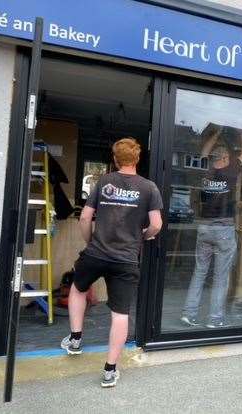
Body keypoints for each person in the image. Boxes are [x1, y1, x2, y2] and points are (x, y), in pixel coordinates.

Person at [60, 137, 163, 388]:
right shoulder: (149, 188)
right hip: (126, 259)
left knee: (77, 289)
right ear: (137, 159)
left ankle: (75, 340)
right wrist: (143, 237)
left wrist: (89, 242)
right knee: (120, 314)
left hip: (95, 253)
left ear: (115, 159)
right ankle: (109, 370)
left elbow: (85, 218)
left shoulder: (104, 182)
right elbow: (156, 225)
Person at [181, 125, 242, 328]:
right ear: (227, 159)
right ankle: (215, 319)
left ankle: (188, 313)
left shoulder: (206, 170)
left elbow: (204, 153)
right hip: (224, 230)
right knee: (220, 277)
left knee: (200, 272)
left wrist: (217, 134)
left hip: (204, 228)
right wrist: (241, 133)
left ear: (213, 158)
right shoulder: (231, 171)